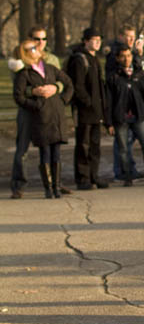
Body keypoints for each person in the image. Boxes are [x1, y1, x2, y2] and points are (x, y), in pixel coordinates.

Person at [9, 25, 72, 198]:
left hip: (49, 109)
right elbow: (19, 86)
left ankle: (55, 184)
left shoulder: (50, 59)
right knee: (22, 149)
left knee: (52, 147)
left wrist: (56, 89)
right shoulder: (19, 59)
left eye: (44, 39)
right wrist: (33, 92)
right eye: (37, 39)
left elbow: (60, 80)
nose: (41, 42)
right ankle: (19, 184)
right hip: (30, 108)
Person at [106, 46, 144, 186]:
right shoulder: (113, 77)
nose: (126, 59)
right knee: (123, 149)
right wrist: (108, 123)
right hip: (121, 117)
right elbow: (108, 101)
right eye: (123, 56)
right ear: (117, 58)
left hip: (139, 115)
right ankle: (127, 177)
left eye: (128, 55)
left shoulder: (140, 74)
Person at [67, 27, 109, 190]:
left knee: (95, 146)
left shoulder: (95, 59)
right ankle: (83, 178)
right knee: (83, 145)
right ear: (85, 41)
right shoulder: (79, 59)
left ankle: (94, 175)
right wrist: (88, 102)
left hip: (96, 110)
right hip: (85, 110)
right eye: (94, 39)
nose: (98, 42)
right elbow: (77, 85)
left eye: (99, 39)